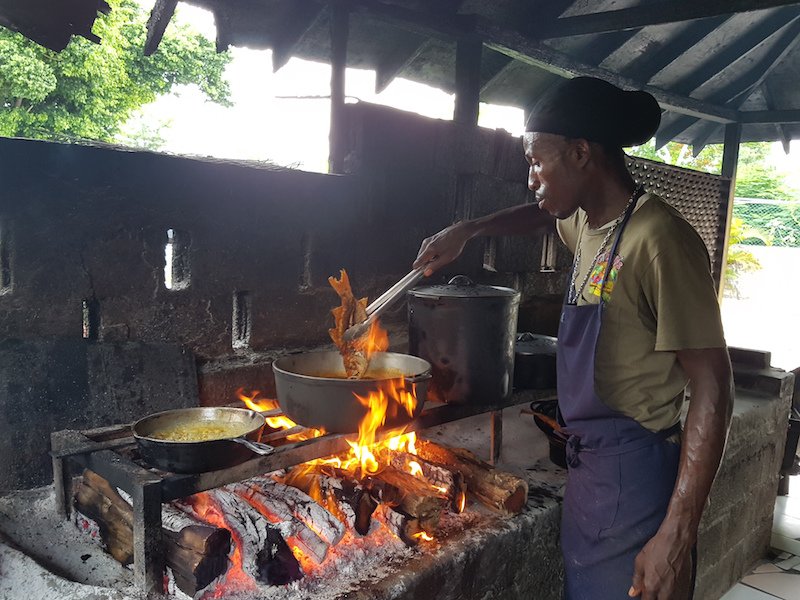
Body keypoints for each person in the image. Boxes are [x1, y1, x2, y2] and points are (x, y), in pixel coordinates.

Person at [413, 77, 733, 600]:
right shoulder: (585, 222)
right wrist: (469, 230)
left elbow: (715, 387)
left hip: (639, 474)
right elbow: (537, 215)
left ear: (581, 153)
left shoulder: (659, 240)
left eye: (537, 161)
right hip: (591, 472)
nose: (531, 178)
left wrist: (677, 535)